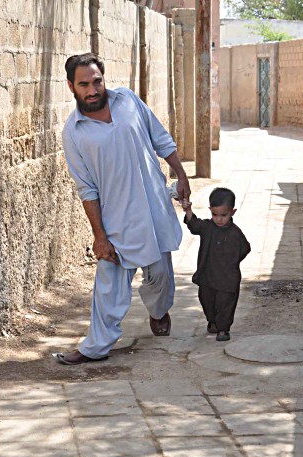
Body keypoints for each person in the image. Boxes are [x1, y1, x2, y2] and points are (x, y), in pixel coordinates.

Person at [55, 53, 190, 365]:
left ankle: (158, 312)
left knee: (159, 276)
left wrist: (180, 175)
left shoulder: (128, 100)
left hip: (153, 207)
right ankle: (94, 347)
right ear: (71, 87)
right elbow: (86, 188)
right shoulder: (74, 132)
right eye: (84, 84)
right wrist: (99, 235)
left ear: (104, 79)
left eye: (97, 81)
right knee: (109, 285)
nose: (92, 90)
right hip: (116, 220)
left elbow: (161, 139)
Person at [181, 188, 251, 341]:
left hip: (228, 279)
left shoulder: (235, 233)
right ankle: (212, 321)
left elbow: (245, 249)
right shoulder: (207, 227)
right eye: (215, 214)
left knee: (225, 304)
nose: (219, 219)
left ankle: (223, 329)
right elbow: (194, 225)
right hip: (208, 276)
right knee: (206, 300)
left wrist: (231, 262)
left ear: (232, 212)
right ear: (210, 211)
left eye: (223, 215)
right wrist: (188, 210)